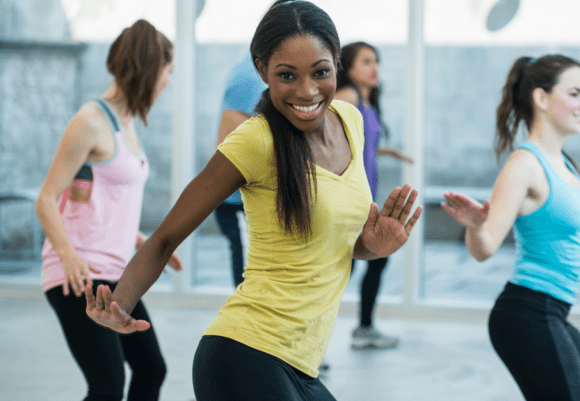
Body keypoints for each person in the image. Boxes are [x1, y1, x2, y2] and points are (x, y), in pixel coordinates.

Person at [84, 2, 423, 400]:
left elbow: (334, 247)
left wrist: (372, 246)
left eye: (321, 72)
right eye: (286, 75)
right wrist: (119, 304)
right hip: (243, 355)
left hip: (301, 365)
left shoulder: (351, 121)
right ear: (262, 71)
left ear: (337, 63)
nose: (307, 90)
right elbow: (165, 238)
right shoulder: (255, 140)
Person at [441, 54, 580, 401]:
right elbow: (484, 249)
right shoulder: (524, 165)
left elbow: (564, 249)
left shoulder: (564, 164)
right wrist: (475, 226)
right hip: (526, 313)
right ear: (541, 98)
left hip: (551, 313)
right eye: (575, 94)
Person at [35, 19, 181, 401]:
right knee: (107, 386)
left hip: (115, 271)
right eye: (168, 71)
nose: (169, 80)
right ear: (149, 70)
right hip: (80, 275)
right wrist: (68, 255)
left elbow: (104, 203)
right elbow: (46, 199)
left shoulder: (125, 123)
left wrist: (140, 241)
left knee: (151, 370)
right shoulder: (89, 123)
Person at [334, 41, 413, 350]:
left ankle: (365, 328)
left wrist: (384, 150)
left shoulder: (366, 101)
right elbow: (325, 140)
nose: (375, 67)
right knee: (343, 269)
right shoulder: (348, 96)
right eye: (366, 61)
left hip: (365, 199)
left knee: (376, 260)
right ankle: (301, 340)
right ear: (348, 68)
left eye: (376, 61)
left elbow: (357, 143)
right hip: (348, 200)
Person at [213, 52, 267, 288]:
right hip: (239, 199)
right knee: (250, 277)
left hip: (251, 197)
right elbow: (227, 144)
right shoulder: (250, 77)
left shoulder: (262, 73)